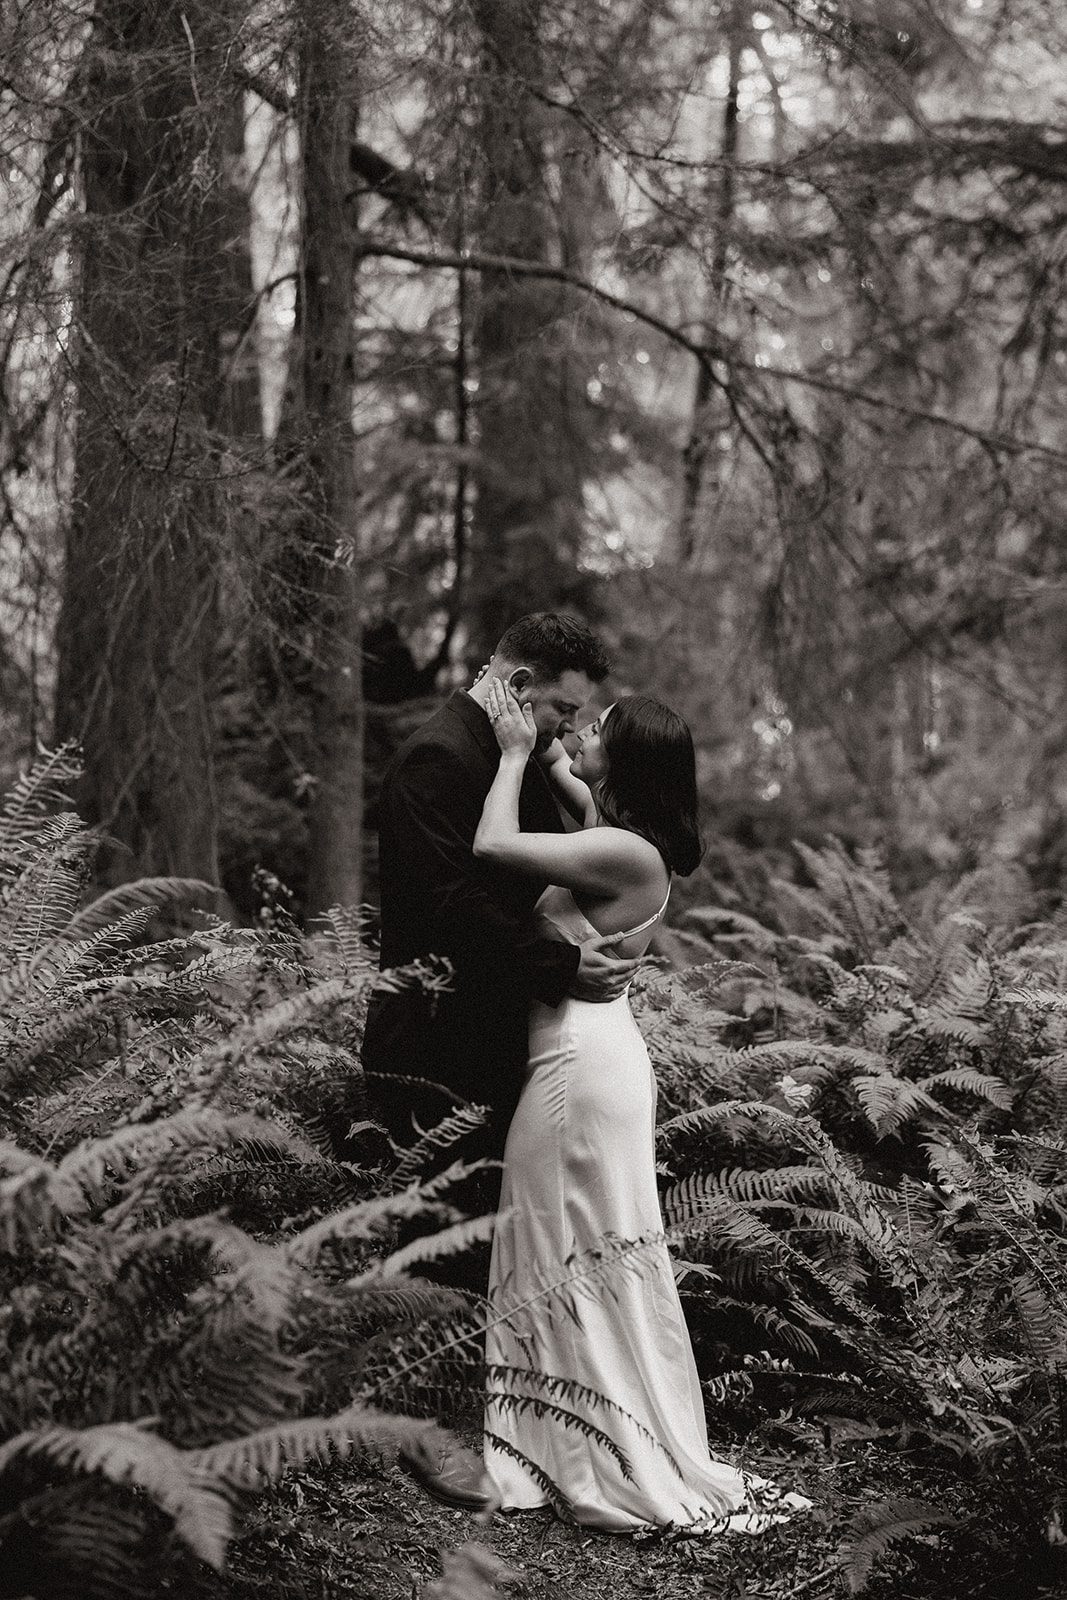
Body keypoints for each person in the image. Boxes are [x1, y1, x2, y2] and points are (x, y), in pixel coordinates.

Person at [475, 680, 806, 1533]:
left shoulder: (622, 852)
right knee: (563, 1239)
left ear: (627, 759)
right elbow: (569, 766)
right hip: (586, 1052)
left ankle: (579, 1448)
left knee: (561, 1239)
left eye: (599, 728)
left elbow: (492, 845)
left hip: (578, 1065)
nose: (581, 731)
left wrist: (513, 754)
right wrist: (526, 718)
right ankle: (556, 1439)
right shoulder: (619, 830)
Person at [361, 615, 641, 1511]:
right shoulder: (437, 760)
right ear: (519, 685)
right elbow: (443, 907)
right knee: (434, 1230)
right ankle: (425, 1428)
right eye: (561, 707)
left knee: (478, 1222)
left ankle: (473, 1409)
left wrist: (552, 764)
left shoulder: (510, 755)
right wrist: (559, 964)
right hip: (432, 1034)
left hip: (495, 1029)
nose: (567, 725)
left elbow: (571, 853)